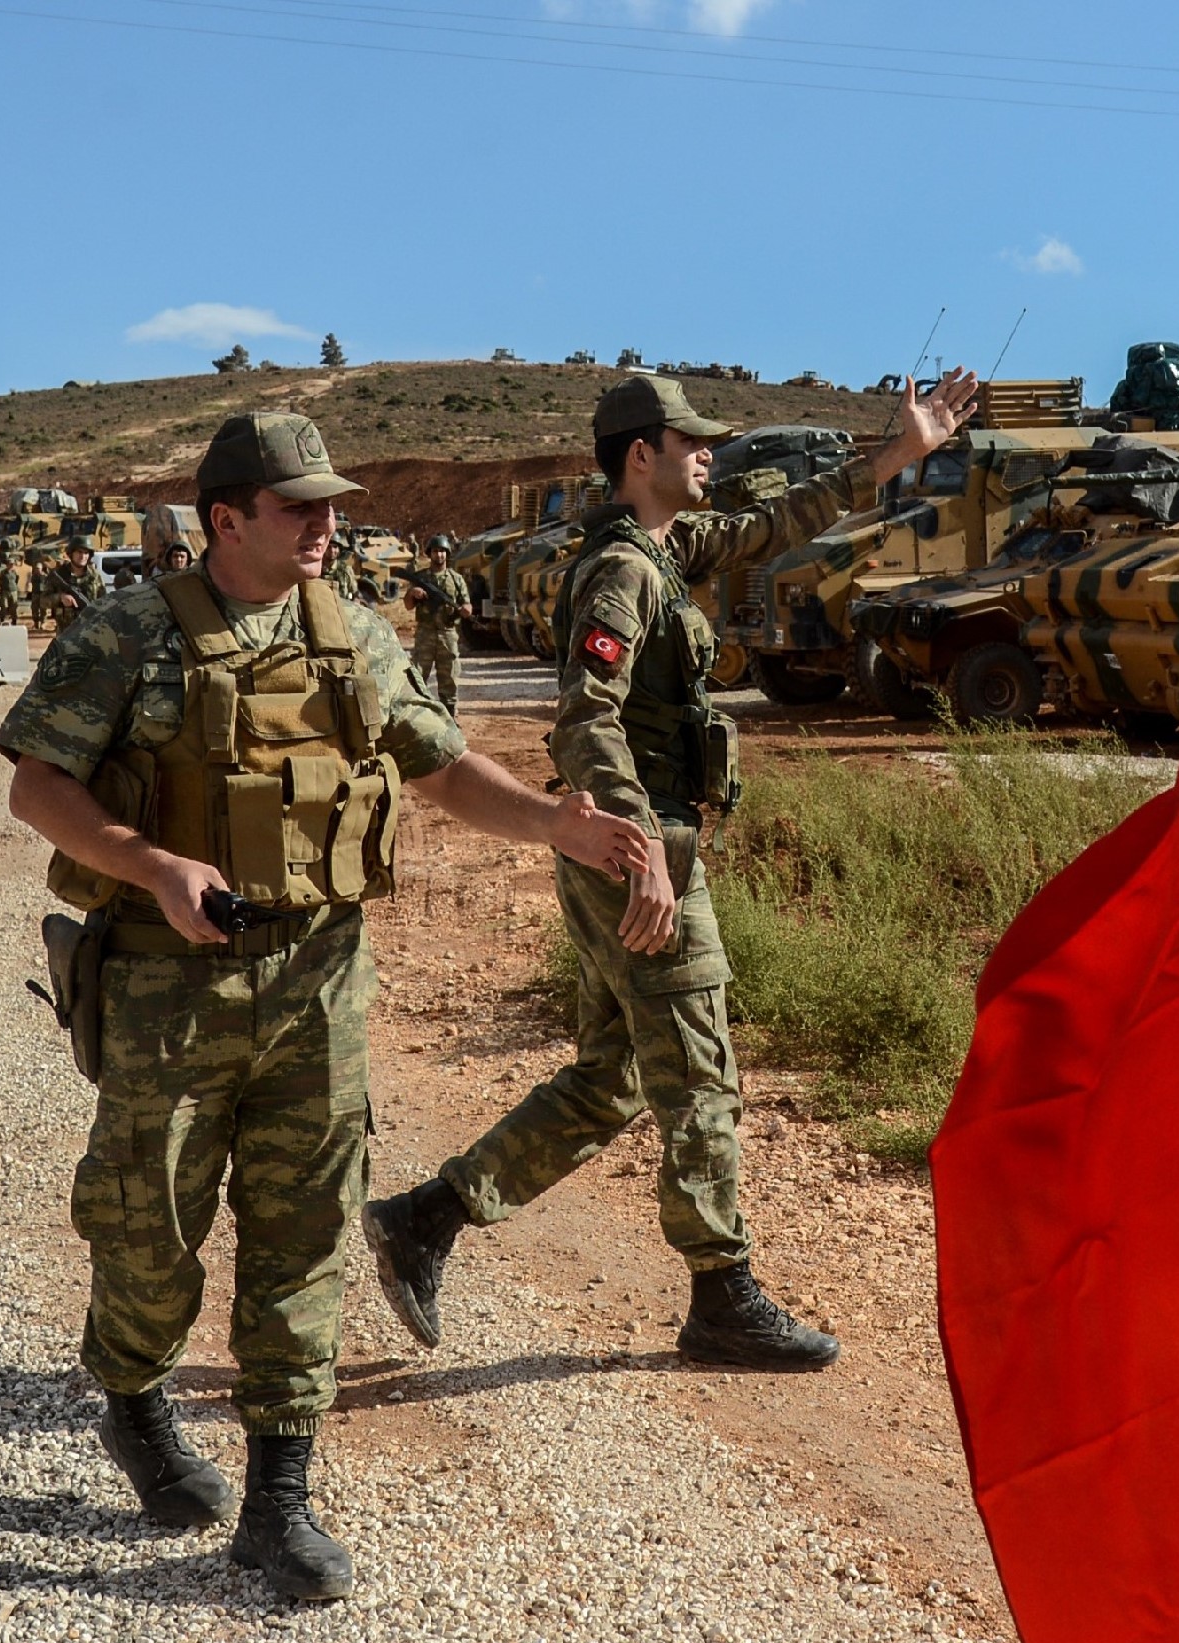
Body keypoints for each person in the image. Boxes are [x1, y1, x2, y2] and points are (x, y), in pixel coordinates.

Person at [0, 412, 653, 1602]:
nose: (327, 522)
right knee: (148, 1235)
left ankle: (278, 1500)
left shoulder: (357, 634)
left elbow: (439, 763)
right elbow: (37, 784)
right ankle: (136, 1407)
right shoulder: (129, 633)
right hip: (165, 986)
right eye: (299, 505)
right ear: (227, 519)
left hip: (319, 982)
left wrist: (556, 821)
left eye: (331, 502)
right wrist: (153, 865)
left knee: (305, 1231)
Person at [363, 369, 978, 1370]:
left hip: (629, 847)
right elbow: (584, 714)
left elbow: (773, 523)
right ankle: (722, 1294)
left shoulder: (662, 546)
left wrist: (896, 452)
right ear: (637, 456)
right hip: (636, 852)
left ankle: (428, 1217)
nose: (709, 455)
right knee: (699, 1073)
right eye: (689, 442)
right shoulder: (623, 572)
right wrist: (641, 850)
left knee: (613, 1079)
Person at [403, 535, 469, 711]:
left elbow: (467, 604)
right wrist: (412, 593)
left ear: (447, 554)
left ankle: (450, 715)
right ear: (430, 554)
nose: (439, 555)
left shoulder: (456, 579)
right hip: (425, 633)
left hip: (448, 634)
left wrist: (466, 610)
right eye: (435, 551)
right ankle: (416, 713)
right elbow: (408, 606)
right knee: (417, 675)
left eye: (442, 551)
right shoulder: (421, 578)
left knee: (449, 676)